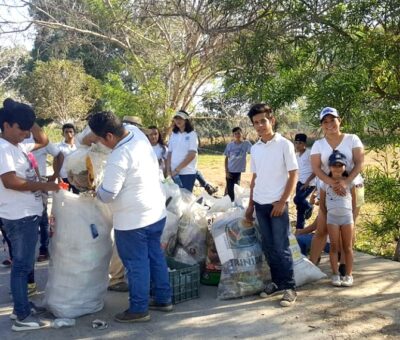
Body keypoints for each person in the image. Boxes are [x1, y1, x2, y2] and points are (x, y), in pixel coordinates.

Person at [88, 111, 171, 323]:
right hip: (156, 212)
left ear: (109, 136)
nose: (99, 143)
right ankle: (163, 298)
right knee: (155, 256)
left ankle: (139, 308)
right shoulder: (136, 133)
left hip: (133, 221)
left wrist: (94, 190)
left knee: (136, 265)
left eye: (99, 139)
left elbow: (108, 194)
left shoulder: (119, 156)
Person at [0, 98, 59, 331]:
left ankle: (22, 307)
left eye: (28, 128)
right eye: (21, 128)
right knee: (22, 266)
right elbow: (11, 181)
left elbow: (42, 140)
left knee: (25, 263)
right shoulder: (3, 149)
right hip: (18, 215)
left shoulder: (17, 146)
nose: (26, 133)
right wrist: (45, 186)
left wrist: (26, 115)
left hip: (28, 213)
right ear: (6, 125)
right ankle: (22, 316)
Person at [244, 103, 298, 307]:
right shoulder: (255, 148)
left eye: (263, 121)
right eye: (256, 123)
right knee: (268, 246)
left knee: (281, 246)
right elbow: (255, 178)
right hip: (260, 203)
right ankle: (276, 282)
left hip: (278, 204)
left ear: (272, 120)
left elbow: (294, 174)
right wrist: (250, 205)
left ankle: (290, 287)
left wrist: (283, 201)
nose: (260, 125)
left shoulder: (284, 144)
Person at [309, 107, 364, 275]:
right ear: (322, 125)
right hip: (328, 189)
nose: (329, 124)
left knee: (349, 225)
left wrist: (346, 182)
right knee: (322, 226)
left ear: (340, 120)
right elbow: (317, 169)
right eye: (325, 122)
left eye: (332, 120)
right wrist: (333, 183)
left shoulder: (352, 139)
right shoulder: (318, 144)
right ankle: (311, 266)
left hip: (354, 188)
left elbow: (359, 163)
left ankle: (344, 266)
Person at [320, 150, 356, 287]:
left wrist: (351, 215)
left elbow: (354, 201)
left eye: (340, 165)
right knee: (334, 247)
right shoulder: (325, 184)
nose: (337, 168)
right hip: (332, 219)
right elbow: (322, 203)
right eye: (334, 165)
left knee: (348, 247)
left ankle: (349, 274)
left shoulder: (349, 182)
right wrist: (328, 214)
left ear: (345, 167)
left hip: (347, 218)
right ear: (329, 167)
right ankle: (335, 274)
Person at [166, 110, 198, 192]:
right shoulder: (173, 134)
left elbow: (192, 155)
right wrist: (168, 170)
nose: (178, 120)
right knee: (174, 199)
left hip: (187, 173)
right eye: (176, 118)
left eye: (180, 118)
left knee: (185, 199)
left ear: (186, 120)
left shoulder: (192, 134)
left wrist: (177, 170)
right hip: (173, 173)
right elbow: (169, 153)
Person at [293, 133, 316, 229]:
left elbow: (316, 170)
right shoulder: (296, 155)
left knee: (297, 199)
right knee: (299, 207)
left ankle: (309, 207)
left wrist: (307, 182)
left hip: (309, 183)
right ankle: (300, 228)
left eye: (300, 143)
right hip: (300, 183)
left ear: (305, 144)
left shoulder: (310, 153)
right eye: (296, 143)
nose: (298, 145)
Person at [224, 127, 252, 201]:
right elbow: (226, 158)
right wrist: (226, 171)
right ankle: (228, 202)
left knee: (236, 189)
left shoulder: (246, 144)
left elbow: (254, 151)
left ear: (242, 134)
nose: (237, 135)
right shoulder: (230, 145)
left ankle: (232, 203)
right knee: (230, 190)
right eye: (235, 133)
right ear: (233, 135)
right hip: (230, 170)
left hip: (238, 171)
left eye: (239, 133)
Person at [56, 123, 79, 194]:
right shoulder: (59, 147)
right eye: (66, 132)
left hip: (76, 178)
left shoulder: (79, 146)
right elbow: (55, 164)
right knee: (63, 198)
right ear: (62, 134)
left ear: (74, 133)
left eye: (71, 131)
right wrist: (58, 178)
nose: (69, 134)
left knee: (77, 199)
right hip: (63, 177)